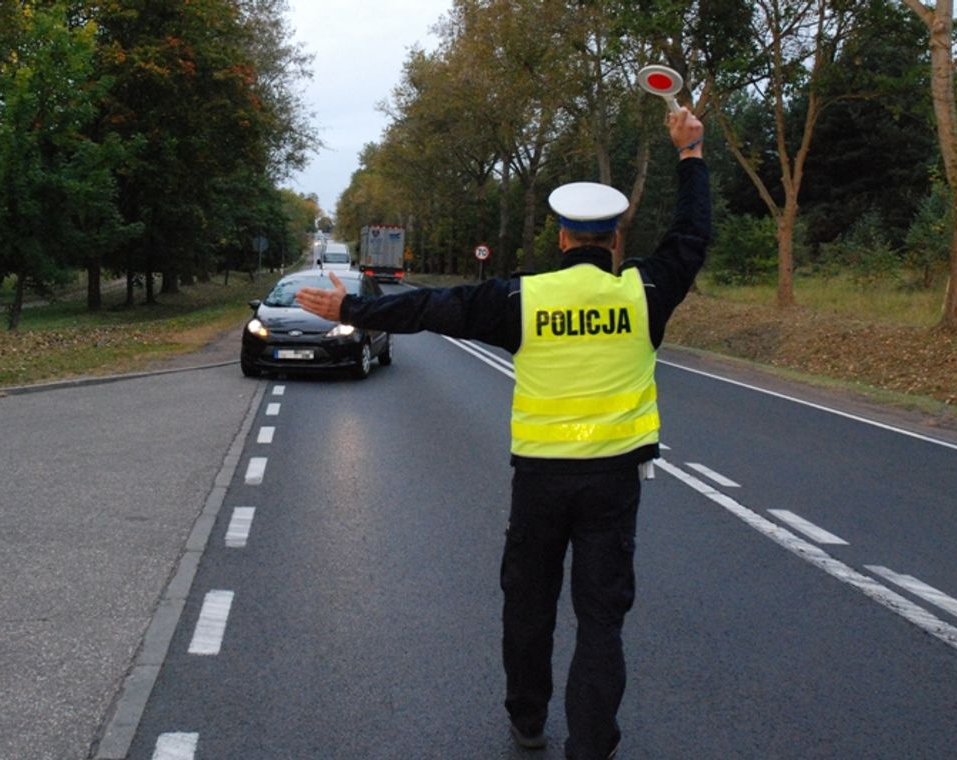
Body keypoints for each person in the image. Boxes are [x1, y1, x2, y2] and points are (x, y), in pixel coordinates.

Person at [295, 107, 710, 760]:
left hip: (541, 482)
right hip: (613, 484)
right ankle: (593, 746)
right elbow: (692, 236)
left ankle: (526, 721)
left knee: (529, 607)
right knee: (601, 621)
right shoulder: (645, 291)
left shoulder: (525, 299)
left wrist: (351, 307)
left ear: (564, 236)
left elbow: (434, 306)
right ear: (615, 238)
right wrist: (691, 155)